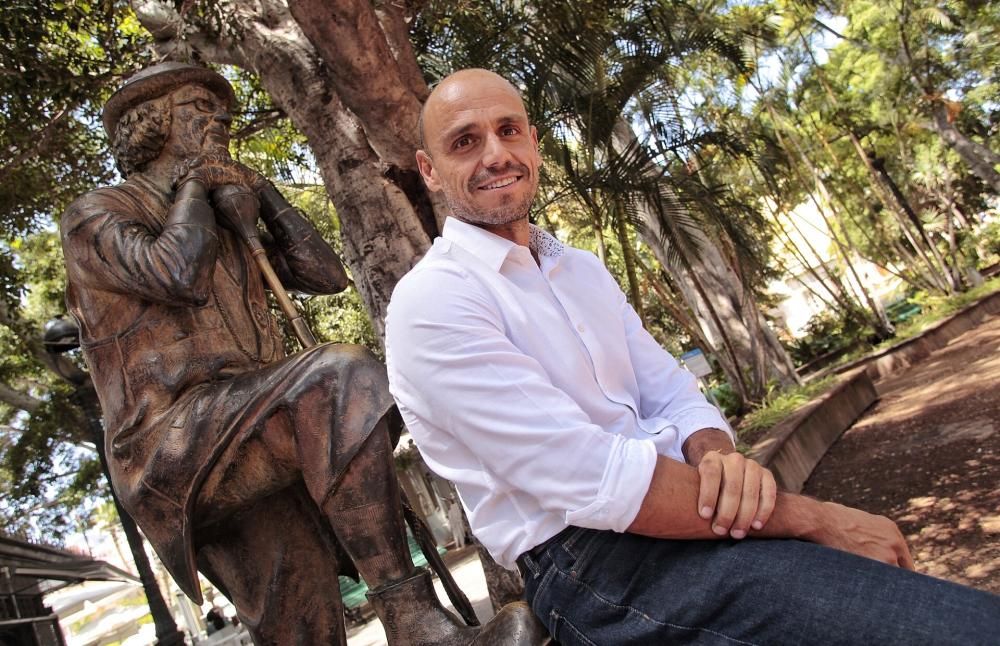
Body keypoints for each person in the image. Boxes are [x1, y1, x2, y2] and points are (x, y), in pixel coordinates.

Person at [384, 68, 1000, 645]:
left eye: (508, 130)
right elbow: (596, 478)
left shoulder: (579, 268)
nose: (496, 154)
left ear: (534, 143)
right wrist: (815, 517)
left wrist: (720, 459)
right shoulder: (434, 300)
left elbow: (672, 393)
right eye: (465, 141)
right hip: (596, 565)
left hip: (687, 508)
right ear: (430, 170)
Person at [61, 62, 541, 646]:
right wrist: (196, 182)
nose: (217, 124)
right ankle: (412, 619)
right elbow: (177, 272)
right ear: (149, 125)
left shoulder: (219, 216)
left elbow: (324, 274)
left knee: (299, 627)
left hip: (256, 423)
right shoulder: (97, 215)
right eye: (197, 110)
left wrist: (260, 191)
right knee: (340, 377)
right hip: (174, 443)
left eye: (222, 114)